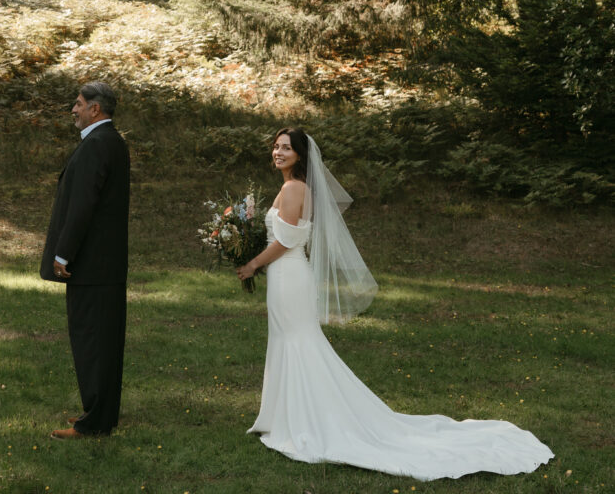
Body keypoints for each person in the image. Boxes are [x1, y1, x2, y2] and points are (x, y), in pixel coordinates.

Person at [236, 127, 554, 481]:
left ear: (299, 155)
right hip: (286, 277)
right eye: (276, 146)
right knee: (289, 342)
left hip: (289, 275)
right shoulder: (294, 187)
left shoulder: (294, 188)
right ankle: (286, 416)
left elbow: (287, 240)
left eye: (286, 148)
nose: (278, 152)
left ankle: (303, 421)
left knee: (299, 343)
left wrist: (252, 263)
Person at [40, 81, 130, 440]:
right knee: (102, 343)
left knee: (93, 343)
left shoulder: (97, 144)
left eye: (78, 104)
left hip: (92, 266)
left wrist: (64, 254)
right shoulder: (112, 141)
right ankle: (100, 417)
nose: (73, 110)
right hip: (104, 266)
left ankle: (94, 424)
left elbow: (83, 205)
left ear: (95, 109)